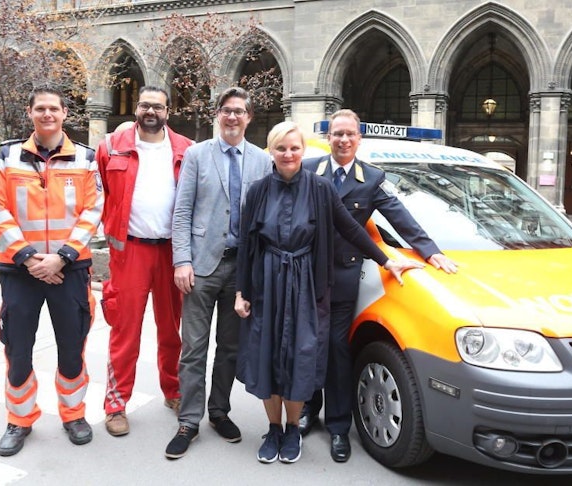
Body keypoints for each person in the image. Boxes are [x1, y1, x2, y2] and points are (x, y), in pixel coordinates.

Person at [233, 121, 423, 464]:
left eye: (294, 148)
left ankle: (293, 428)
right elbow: (247, 244)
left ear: (303, 151)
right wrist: (241, 292)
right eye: (281, 148)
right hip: (267, 284)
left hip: (306, 283)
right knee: (268, 356)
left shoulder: (320, 189)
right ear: (272, 152)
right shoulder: (258, 191)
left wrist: (387, 260)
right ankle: (273, 428)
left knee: (299, 357)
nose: (288, 154)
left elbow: (350, 228)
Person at [300, 109, 457, 462]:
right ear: (329, 138)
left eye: (350, 135)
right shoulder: (310, 171)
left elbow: (402, 217)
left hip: (342, 276)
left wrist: (430, 253)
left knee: (338, 348)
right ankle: (309, 406)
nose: (343, 140)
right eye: (337, 134)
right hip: (307, 275)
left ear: (359, 139)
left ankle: (339, 426)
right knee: (310, 342)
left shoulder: (371, 178)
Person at [0, 86, 103, 457]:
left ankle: (74, 415)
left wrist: (62, 258)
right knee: (17, 349)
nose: (47, 114)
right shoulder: (8, 157)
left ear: (66, 113)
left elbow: (93, 210)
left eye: (54, 108)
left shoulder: (85, 159)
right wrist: (31, 260)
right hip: (20, 272)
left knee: (72, 347)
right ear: (30, 112)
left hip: (69, 270)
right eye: (41, 108)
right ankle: (19, 420)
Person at [165, 87, 272, 459]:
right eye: (226, 111)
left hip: (240, 270)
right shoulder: (196, 155)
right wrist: (182, 260)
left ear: (249, 118)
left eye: (239, 112)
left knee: (229, 347)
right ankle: (189, 421)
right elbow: (181, 211)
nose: (231, 117)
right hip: (201, 266)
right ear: (217, 114)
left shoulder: (262, 161)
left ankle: (219, 412)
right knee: (193, 347)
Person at [97, 86, 195, 437]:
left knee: (171, 330)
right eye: (144, 105)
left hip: (172, 252)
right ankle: (116, 404)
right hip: (130, 252)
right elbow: (101, 196)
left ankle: (174, 391)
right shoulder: (111, 146)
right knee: (125, 331)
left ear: (168, 111)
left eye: (158, 106)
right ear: (136, 109)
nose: (150, 111)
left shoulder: (187, 149)